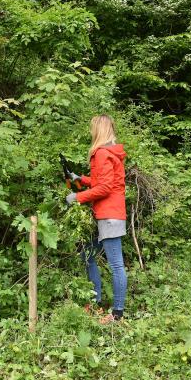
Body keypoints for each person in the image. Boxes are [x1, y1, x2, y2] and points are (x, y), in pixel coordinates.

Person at [65, 114, 128, 324]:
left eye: (93, 128)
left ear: (99, 129)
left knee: (116, 265)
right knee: (87, 255)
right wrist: (80, 179)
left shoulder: (102, 153)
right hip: (108, 214)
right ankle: (95, 301)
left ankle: (117, 314)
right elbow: (102, 180)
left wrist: (77, 197)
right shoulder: (110, 152)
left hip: (109, 215)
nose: (91, 132)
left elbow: (105, 187)